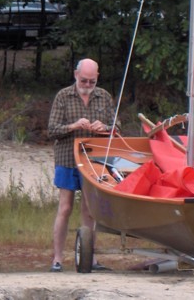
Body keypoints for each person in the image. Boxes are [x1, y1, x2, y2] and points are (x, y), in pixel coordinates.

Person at [48, 58, 118, 272]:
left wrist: (104, 126)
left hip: (93, 160)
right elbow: (52, 129)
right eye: (84, 81)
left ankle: (90, 257)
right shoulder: (63, 96)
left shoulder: (104, 96)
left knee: (90, 210)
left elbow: (117, 126)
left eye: (92, 82)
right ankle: (58, 259)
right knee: (65, 207)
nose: (87, 85)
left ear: (97, 78)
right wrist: (73, 126)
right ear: (76, 75)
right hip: (68, 157)